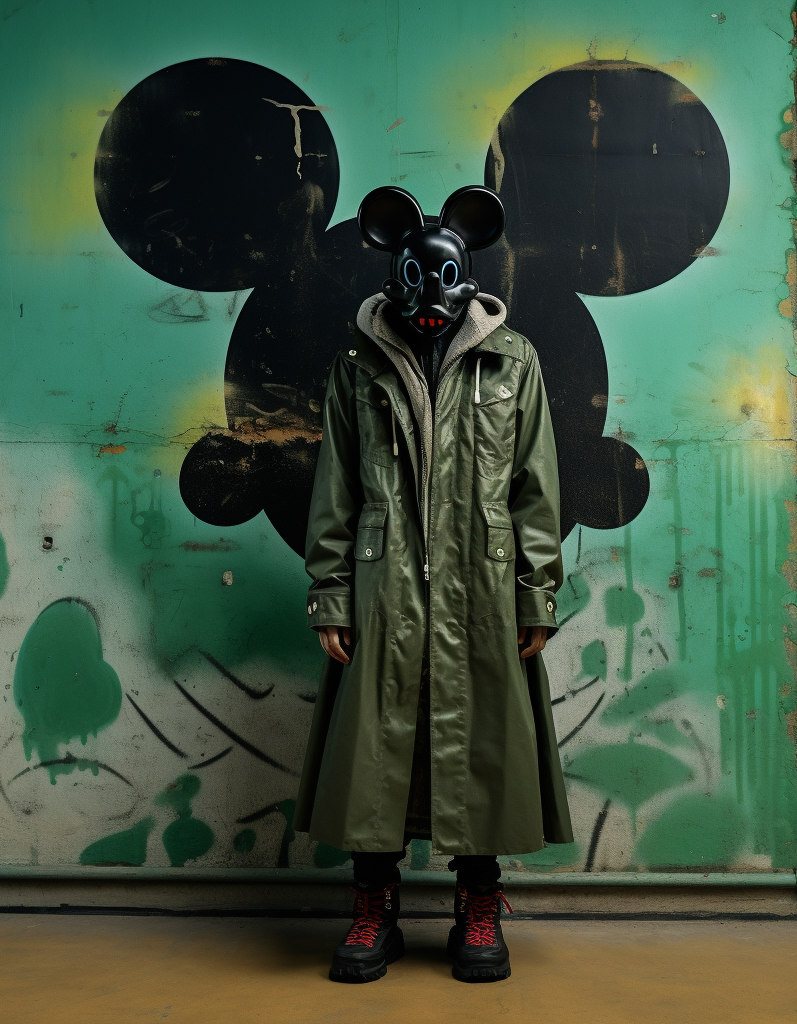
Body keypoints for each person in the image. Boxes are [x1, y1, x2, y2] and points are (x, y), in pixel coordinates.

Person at [293, 185, 573, 983]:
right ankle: (372, 907)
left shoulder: (512, 360)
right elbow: (336, 488)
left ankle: (477, 906)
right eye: (417, 280)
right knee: (377, 745)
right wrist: (333, 594)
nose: (431, 302)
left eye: (447, 280)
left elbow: (536, 488)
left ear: (469, 272)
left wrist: (536, 594)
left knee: (481, 740)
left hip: (480, 588)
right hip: (384, 586)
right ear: (393, 270)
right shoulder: (358, 363)